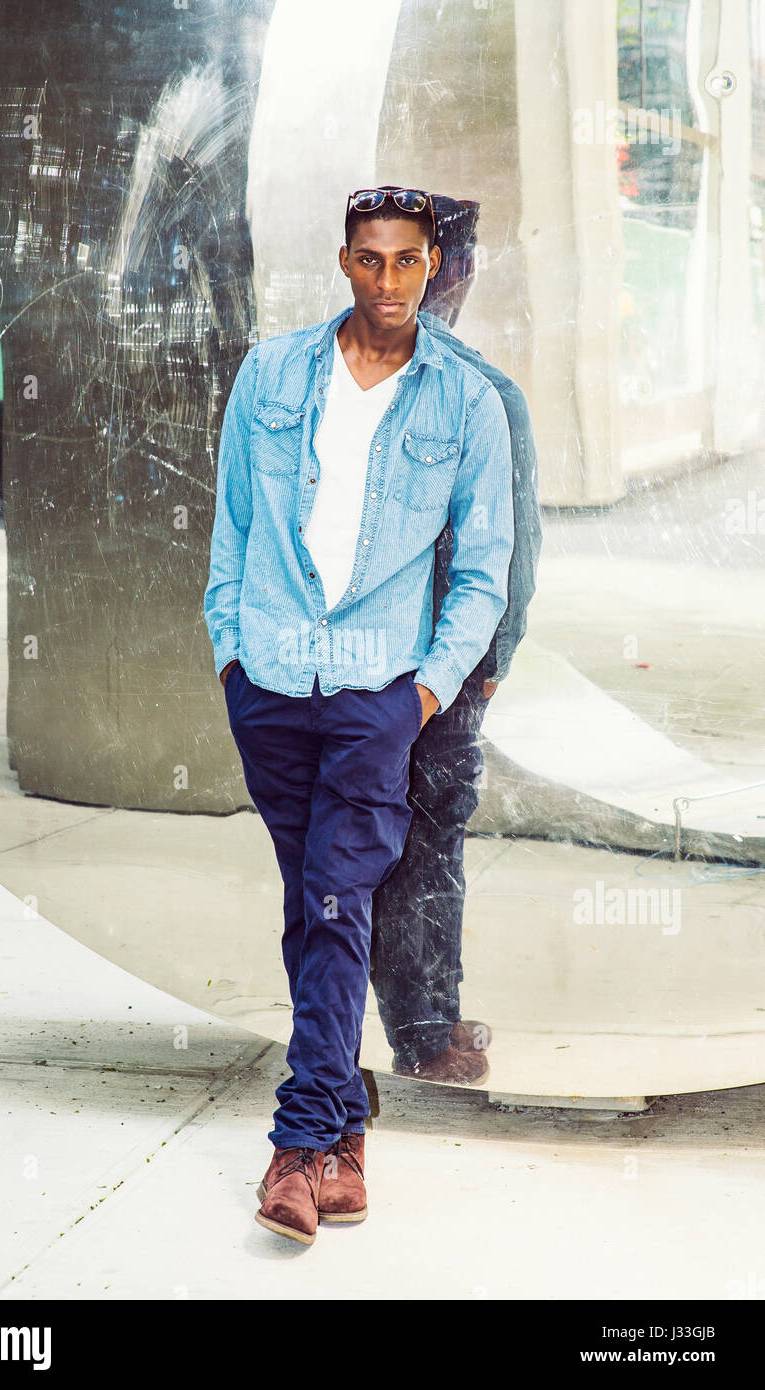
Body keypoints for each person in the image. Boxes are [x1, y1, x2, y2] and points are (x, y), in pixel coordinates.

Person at [203, 186, 515, 1245]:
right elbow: (232, 529)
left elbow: (483, 574)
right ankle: (346, 1133)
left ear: (436, 268)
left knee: (338, 901)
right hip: (273, 681)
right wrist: (230, 653)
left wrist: (420, 691)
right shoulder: (272, 374)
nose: (389, 283)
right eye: (370, 261)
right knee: (314, 908)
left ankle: (296, 1147)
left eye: (409, 262)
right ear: (345, 262)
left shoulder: (466, 403)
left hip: (378, 693)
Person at [370, 193, 543, 1084]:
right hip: (435, 668)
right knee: (425, 840)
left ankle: (422, 1011)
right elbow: (510, 553)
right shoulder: (485, 394)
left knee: (384, 838)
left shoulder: (327, 378)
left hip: (359, 662)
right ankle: (424, 1029)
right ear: (462, 271)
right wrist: (489, 664)